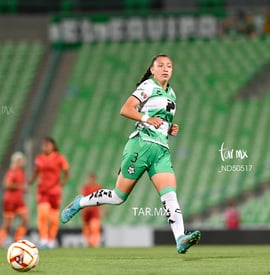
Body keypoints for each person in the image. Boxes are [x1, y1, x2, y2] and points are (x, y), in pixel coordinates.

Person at [61, 54, 201, 254]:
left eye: (169, 65)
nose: (165, 68)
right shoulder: (147, 87)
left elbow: (160, 119)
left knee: (170, 195)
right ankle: (80, 202)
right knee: (118, 197)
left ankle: (180, 238)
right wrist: (146, 118)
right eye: (160, 65)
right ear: (152, 70)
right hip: (140, 145)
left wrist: (169, 129)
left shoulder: (172, 93)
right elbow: (125, 109)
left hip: (161, 150)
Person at [28, 137, 69, 249]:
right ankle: (43, 239)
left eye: (47, 144)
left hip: (55, 191)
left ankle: (51, 240)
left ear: (53, 146)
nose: (45, 147)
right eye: (44, 145)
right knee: (43, 214)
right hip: (42, 190)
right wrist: (31, 181)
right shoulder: (39, 158)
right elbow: (36, 172)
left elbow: (66, 173)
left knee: (54, 218)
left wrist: (61, 183)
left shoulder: (59, 158)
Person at [0, 152, 29, 246]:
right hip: (10, 200)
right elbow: (7, 184)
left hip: (19, 200)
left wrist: (22, 188)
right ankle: (0, 241)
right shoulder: (12, 172)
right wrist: (20, 187)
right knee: (8, 223)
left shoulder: (22, 172)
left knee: (25, 219)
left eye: (22, 160)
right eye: (19, 160)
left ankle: (17, 238)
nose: (21, 162)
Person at [80, 173, 104, 247]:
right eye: (90, 178)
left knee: (95, 227)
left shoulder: (98, 188)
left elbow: (103, 199)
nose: (91, 180)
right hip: (86, 210)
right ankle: (87, 242)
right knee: (86, 228)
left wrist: (103, 209)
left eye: (92, 179)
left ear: (95, 179)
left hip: (95, 211)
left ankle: (94, 243)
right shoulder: (85, 187)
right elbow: (82, 198)